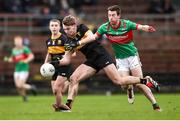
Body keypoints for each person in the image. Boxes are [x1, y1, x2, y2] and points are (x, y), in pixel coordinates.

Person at [53, 15, 160, 111]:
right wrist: (55, 63)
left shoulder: (82, 28)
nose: (66, 31)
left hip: (102, 56)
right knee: (73, 78)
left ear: (74, 25)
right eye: (65, 29)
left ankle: (145, 80)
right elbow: (67, 59)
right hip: (91, 61)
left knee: (119, 81)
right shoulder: (68, 41)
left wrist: (77, 43)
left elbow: (92, 37)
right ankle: (68, 105)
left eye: (68, 28)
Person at [93, 5, 161, 111]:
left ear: (119, 16)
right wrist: (81, 42)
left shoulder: (126, 24)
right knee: (123, 85)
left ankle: (155, 104)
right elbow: (94, 37)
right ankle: (130, 88)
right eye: (109, 15)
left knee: (139, 84)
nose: (111, 17)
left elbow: (140, 26)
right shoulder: (104, 27)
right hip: (120, 59)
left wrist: (147, 28)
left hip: (132, 56)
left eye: (113, 15)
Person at [43, 19, 72, 112]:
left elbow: (72, 53)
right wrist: (45, 63)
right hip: (53, 67)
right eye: (52, 25)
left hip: (63, 66)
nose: (54, 27)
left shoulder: (64, 38)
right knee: (56, 91)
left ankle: (61, 107)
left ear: (59, 27)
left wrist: (64, 57)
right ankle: (68, 83)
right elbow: (49, 53)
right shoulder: (48, 41)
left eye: (56, 25)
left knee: (56, 88)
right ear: (49, 27)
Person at [3, 36, 37, 102]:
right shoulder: (14, 50)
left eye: (19, 41)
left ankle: (31, 87)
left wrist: (26, 60)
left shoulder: (25, 49)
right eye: (16, 42)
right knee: (18, 87)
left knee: (20, 85)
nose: (18, 43)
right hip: (17, 70)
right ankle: (25, 97)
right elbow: (13, 59)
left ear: (21, 42)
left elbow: (32, 56)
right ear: (14, 42)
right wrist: (7, 59)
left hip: (24, 69)